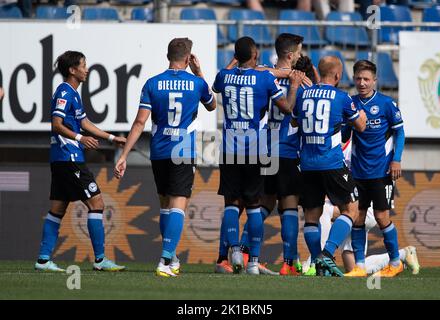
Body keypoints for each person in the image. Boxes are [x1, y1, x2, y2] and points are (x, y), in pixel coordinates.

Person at [114, 38, 216, 277]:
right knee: (179, 204)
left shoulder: (152, 83)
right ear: (189, 57)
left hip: (158, 151)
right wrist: (199, 72)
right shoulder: (197, 84)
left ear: (167, 55)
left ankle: (171, 256)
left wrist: (124, 155)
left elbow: (140, 122)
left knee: (164, 205)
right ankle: (164, 260)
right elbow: (212, 105)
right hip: (183, 150)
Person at [213, 36, 304, 275]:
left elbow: (216, 83)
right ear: (254, 56)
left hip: (229, 147)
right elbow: (287, 109)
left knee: (232, 204)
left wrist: (238, 58)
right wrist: (293, 84)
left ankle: (232, 251)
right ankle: (253, 260)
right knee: (255, 205)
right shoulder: (264, 78)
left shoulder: (224, 76)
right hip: (257, 148)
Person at [35, 51, 127, 272]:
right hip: (70, 158)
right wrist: (79, 138)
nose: (87, 69)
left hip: (61, 159)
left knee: (57, 208)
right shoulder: (64, 92)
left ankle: (43, 260)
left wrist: (112, 138)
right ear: (72, 70)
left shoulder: (74, 94)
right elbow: (56, 124)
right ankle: (100, 260)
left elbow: (85, 122)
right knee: (97, 204)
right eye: (84, 66)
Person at [292, 55, 367, 277]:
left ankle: (318, 262)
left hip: (306, 165)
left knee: (312, 216)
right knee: (351, 210)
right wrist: (360, 115)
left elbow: (295, 121)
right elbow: (360, 126)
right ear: (337, 75)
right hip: (331, 163)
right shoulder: (342, 97)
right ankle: (327, 253)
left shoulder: (303, 95)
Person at [302, 140, 420, 276]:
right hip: (354, 204)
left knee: (325, 211)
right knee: (351, 266)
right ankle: (402, 254)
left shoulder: (354, 148)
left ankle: (318, 259)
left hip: (364, 205)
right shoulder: (333, 149)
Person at [344, 59, 406, 278]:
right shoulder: (350, 103)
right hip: (357, 171)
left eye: (366, 79)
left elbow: (400, 132)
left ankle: (396, 262)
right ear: (353, 79)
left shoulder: (387, 104)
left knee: (381, 217)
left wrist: (396, 159)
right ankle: (360, 266)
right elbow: (343, 136)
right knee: (358, 217)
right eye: (358, 78)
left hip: (381, 171)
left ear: (374, 80)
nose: (362, 83)